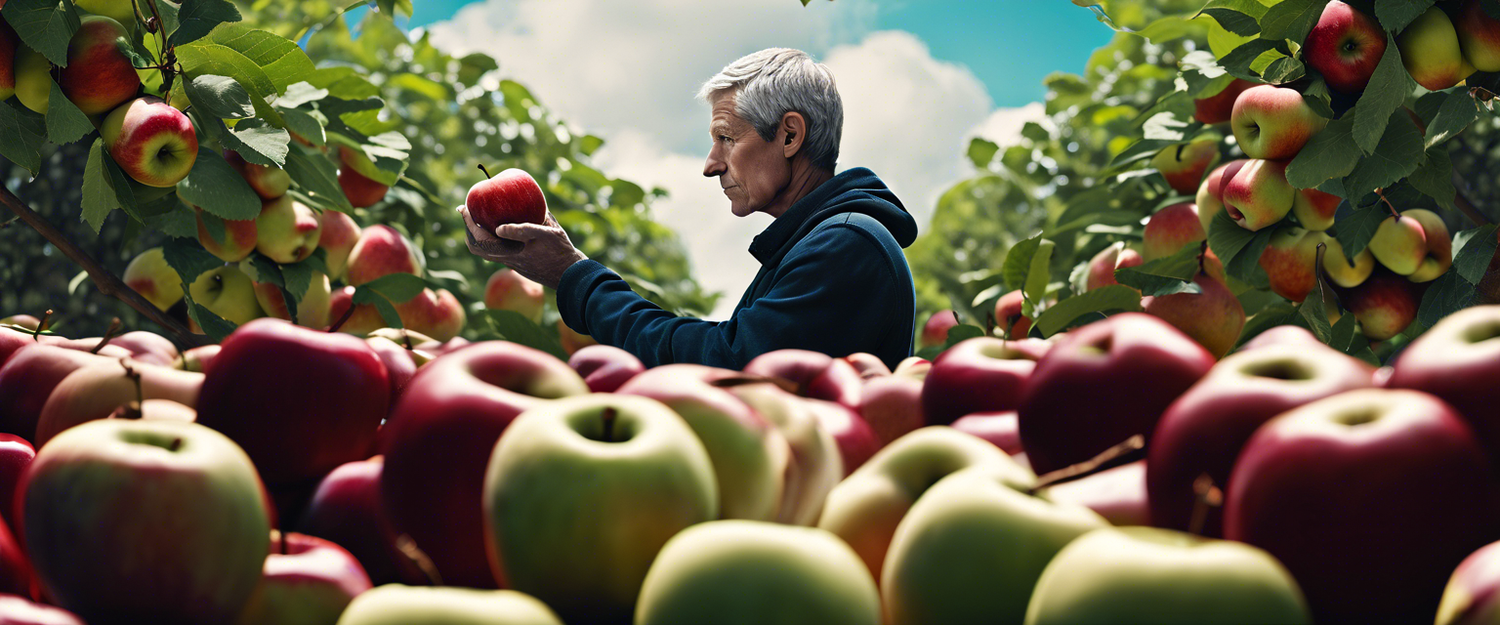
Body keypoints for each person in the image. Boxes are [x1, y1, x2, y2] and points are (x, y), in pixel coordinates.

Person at [462, 48, 917, 370]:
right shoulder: (831, 242)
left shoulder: (845, 245)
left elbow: (726, 366)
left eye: (727, 138)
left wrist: (573, 274)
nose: (710, 164)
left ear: (790, 136)